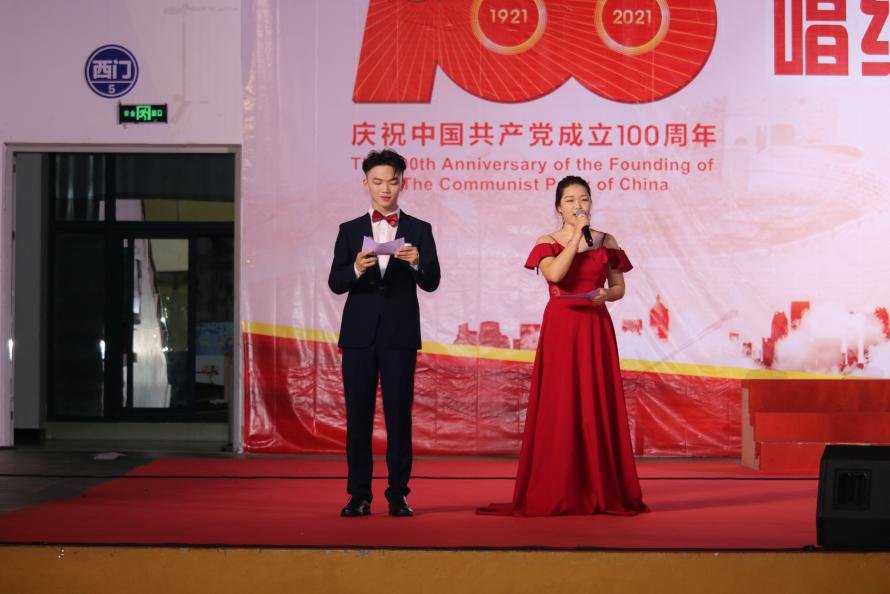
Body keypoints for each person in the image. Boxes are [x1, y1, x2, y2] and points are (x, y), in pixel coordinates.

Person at [479, 175, 646, 516]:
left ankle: (600, 485)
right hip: (562, 326)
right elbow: (555, 275)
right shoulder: (547, 241)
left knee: (596, 400)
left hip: (595, 326)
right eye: (570, 200)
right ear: (559, 207)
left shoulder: (607, 240)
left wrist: (607, 294)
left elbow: (619, 288)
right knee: (562, 401)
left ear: (591, 203)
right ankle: (558, 485)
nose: (578, 205)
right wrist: (576, 241)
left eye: (584, 199)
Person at [328, 149, 440, 517]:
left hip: (399, 336)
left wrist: (418, 262)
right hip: (358, 337)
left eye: (392, 181)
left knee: (398, 417)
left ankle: (398, 494)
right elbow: (335, 282)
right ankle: (359, 495)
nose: (385, 188)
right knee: (358, 418)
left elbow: (433, 282)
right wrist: (356, 268)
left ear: (402, 183)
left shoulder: (420, 229)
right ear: (366, 183)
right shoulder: (349, 230)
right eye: (377, 181)